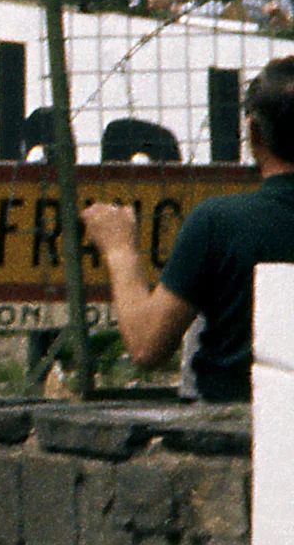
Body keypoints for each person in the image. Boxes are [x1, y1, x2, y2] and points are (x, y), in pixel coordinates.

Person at [80, 57, 294, 401]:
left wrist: (119, 248)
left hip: (233, 418)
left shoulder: (218, 223)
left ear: (253, 133)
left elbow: (146, 346)